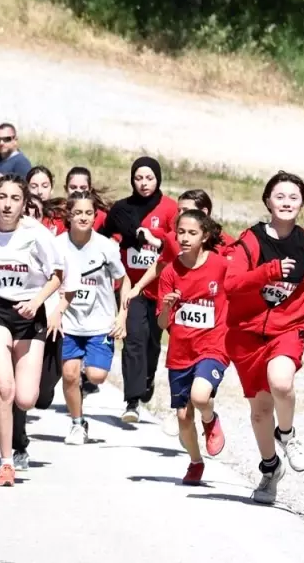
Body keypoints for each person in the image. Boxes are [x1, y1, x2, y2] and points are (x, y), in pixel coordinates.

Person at [225, 171, 304, 505]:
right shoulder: (249, 241)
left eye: (293, 197)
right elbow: (231, 285)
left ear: (303, 203)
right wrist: (269, 271)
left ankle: (288, 434)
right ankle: (270, 469)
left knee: (281, 383)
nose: (286, 202)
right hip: (246, 334)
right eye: (279, 196)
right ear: (267, 201)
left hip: (287, 328)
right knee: (260, 412)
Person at [157, 209, 279, 485]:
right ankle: (195, 462)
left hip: (214, 346)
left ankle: (210, 419)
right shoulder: (169, 273)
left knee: (200, 397)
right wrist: (167, 306)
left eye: (192, 233)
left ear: (205, 236)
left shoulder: (221, 266)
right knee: (183, 416)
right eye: (181, 232)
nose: (185, 238)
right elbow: (164, 324)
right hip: (180, 351)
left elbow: (244, 285)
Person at [0, 174, 63, 486]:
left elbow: (58, 275)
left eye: (14, 199)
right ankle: (6, 462)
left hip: (29, 314)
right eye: (3, 197)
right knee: (4, 389)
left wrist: (36, 303)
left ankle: (17, 430)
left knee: (25, 398)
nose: (7, 204)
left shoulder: (37, 234)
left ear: (23, 204)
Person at [101, 156, 177, 422]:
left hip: (160, 287)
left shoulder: (169, 208)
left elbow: (176, 245)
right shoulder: (122, 208)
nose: (144, 184)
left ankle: (146, 380)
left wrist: (156, 242)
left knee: (152, 342)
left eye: (149, 178)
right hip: (131, 287)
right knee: (133, 339)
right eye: (138, 178)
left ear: (158, 179)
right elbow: (102, 232)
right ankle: (132, 402)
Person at [53, 192, 127, 445]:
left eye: (88, 213)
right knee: (70, 374)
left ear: (95, 216)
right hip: (70, 323)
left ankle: (83, 383)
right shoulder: (58, 245)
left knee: (96, 376)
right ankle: (77, 423)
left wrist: (122, 315)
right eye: (78, 213)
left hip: (100, 322)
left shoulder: (106, 247)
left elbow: (123, 279)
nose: (83, 217)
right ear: (68, 216)